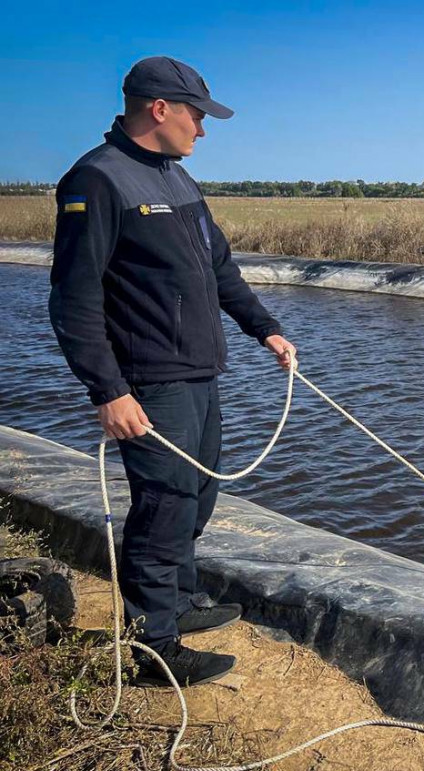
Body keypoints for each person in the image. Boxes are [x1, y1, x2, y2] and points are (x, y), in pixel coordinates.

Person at [48, 56, 297, 687]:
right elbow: (73, 301)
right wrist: (109, 391)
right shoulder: (97, 181)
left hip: (198, 372)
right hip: (148, 381)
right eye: (197, 116)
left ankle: (181, 602)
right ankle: (155, 648)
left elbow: (219, 272)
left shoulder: (179, 181)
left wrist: (263, 327)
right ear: (159, 109)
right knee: (164, 504)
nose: (203, 131)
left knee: (200, 492)